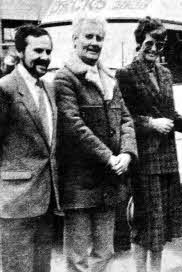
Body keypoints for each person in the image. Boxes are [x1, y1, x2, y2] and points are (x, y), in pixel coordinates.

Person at [115, 16, 182, 272]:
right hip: (144, 161)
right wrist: (151, 123)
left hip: (167, 159)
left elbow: (171, 115)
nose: (154, 49)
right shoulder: (126, 74)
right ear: (140, 41)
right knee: (143, 225)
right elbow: (122, 119)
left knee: (161, 227)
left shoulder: (165, 73)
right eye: (149, 43)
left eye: (159, 45)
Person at [54, 14, 137, 272]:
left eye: (99, 38)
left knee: (105, 252)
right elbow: (74, 127)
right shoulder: (65, 79)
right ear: (75, 40)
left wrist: (127, 153)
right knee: (78, 258)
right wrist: (110, 158)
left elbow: (126, 119)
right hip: (79, 184)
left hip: (109, 183)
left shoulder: (109, 79)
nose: (94, 43)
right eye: (88, 37)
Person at [0, 24, 59, 272]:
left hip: (45, 202)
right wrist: (5, 184)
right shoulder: (2, 88)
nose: (45, 58)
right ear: (19, 51)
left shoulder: (48, 87)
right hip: (16, 204)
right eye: (38, 51)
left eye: (48, 52)